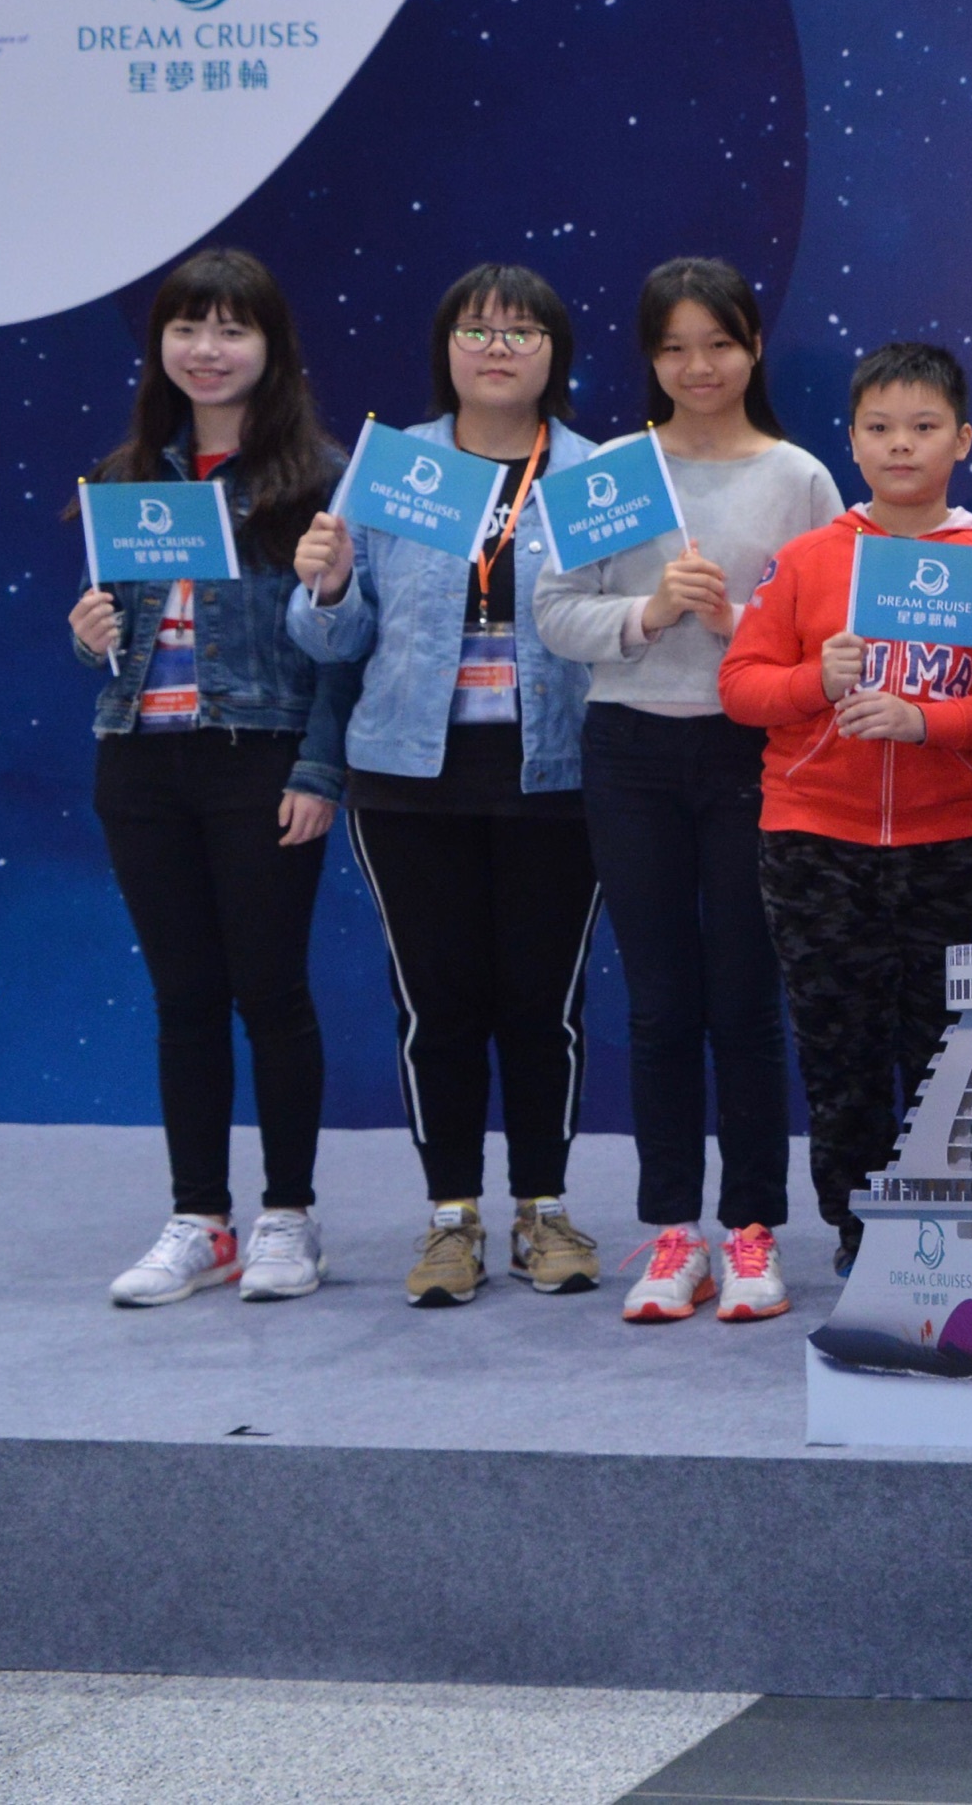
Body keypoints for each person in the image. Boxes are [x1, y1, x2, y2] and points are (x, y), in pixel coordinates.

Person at [715, 342, 972, 1275]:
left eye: (923, 428)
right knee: (839, 1054)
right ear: (851, 441)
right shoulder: (806, 560)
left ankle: (944, 1227)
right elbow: (741, 687)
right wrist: (812, 680)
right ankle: (856, 1231)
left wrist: (928, 722)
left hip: (950, 845)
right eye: (879, 429)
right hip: (814, 844)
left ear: (962, 439)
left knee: (946, 1055)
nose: (901, 447)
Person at [287, 264, 606, 1308]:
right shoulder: (391, 470)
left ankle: (544, 1208)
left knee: (542, 1006)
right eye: (476, 329)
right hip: (407, 779)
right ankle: (451, 1218)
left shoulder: (597, 473)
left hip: (556, 778)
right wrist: (326, 581)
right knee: (436, 1005)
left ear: (554, 351)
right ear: (447, 349)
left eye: (521, 331)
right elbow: (332, 637)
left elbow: (629, 629)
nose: (497, 347)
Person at [532, 259, 841, 1326]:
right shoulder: (612, 470)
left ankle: (753, 1230)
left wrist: (743, 629)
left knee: (746, 1003)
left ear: (753, 348)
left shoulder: (799, 477)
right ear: (650, 358)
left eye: (718, 343)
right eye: (674, 347)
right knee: (660, 1003)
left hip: (754, 755)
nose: (697, 366)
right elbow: (557, 613)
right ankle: (673, 1231)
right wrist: (651, 611)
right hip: (629, 753)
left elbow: (830, 631)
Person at [76, 249, 358, 1308]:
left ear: (270, 347)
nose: (207, 348)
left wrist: (319, 768)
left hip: (261, 756)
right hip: (141, 759)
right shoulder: (126, 474)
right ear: (161, 344)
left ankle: (289, 1215)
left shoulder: (319, 480)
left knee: (270, 990)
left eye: (231, 328)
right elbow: (115, 629)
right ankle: (201, 1219)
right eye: (187, 327)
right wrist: (89, 630)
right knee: (183, 996)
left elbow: (343, 647)